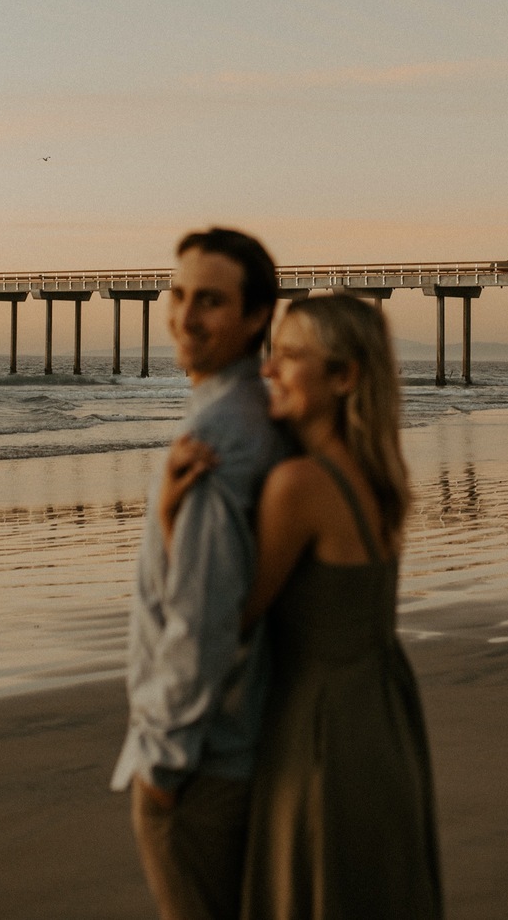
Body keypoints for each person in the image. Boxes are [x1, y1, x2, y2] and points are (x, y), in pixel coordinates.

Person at [161, 294, 444, 919]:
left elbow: (226, 618)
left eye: (289, 356)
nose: (267, 370)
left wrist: (168, 516)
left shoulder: (300, 487)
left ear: (343, 377)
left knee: (313, 885)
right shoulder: (378, 475)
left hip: (319, 730)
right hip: (384, 716)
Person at [111, 227, 290, 920]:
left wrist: (160, 764)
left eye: (210, 301)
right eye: (179, 293)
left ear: (255, 317)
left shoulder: (219, 439)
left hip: (202, 763)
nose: (184, 316)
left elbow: (204, 617)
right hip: (236, 746)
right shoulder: (252, 418)